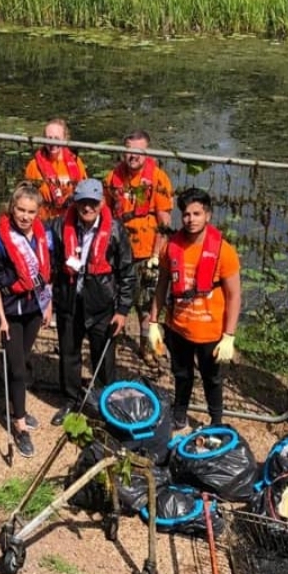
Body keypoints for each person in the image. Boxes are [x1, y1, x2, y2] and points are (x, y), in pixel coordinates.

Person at [148, 188, 241, 430]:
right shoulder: (170, 247)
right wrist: (153, 321)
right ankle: (180, 414)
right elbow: (162, 285)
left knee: (213, 379)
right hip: (179, 327)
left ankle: (216, 421)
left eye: (197, 213)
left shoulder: (224, 252)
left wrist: (229, 335)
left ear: (208, 215)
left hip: (211, 332)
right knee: (182, 374)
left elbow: (234, 295)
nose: (191, 219)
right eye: (186, 214)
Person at [48, 179, 135, 425]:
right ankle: (71, 400)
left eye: (93, 203)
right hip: (69, 302)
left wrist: (123, 310)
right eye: (83, 202)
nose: (88, 208)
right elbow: (35, 240)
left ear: (101, 203)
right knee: (69, 353)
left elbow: (127, 273)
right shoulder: (58, 226)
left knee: (104, 357)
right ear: (75, 202)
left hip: (102, 306)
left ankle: (107, 403)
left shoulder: (116, 231)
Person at [0, 182, 53, 457]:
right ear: (12, 208)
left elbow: (48, 273)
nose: (25, 216)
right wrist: (1, 318)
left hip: (35, 308)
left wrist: (49, 306)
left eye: (31, 211)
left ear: (38, 213)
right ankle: (20, 425)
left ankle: (17, 405)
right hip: (10, 312)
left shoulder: (42, 236)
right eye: (20, 210)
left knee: (22, 362)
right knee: (16, 369)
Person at [103, 129, 174, 364]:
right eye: (129, 151)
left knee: (148, 304)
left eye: (138, 151)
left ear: (146, 151)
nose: (133, 156)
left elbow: (164, 220)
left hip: (147, 254)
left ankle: (147, 347)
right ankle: (109, 342)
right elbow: (105, 212)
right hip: (120, 252)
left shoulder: (158, 179)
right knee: (116, 300)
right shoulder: (113, 177)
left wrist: (156, 255)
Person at [23, 119, 88, 221]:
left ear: (65, 139)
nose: (52, 142)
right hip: (44, 220)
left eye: (57, 138)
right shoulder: (33, 165)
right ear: (43, 139)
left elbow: (85, 190)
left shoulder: (76, 162)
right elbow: (25, 196)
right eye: (49, 138)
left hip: (71, 219)